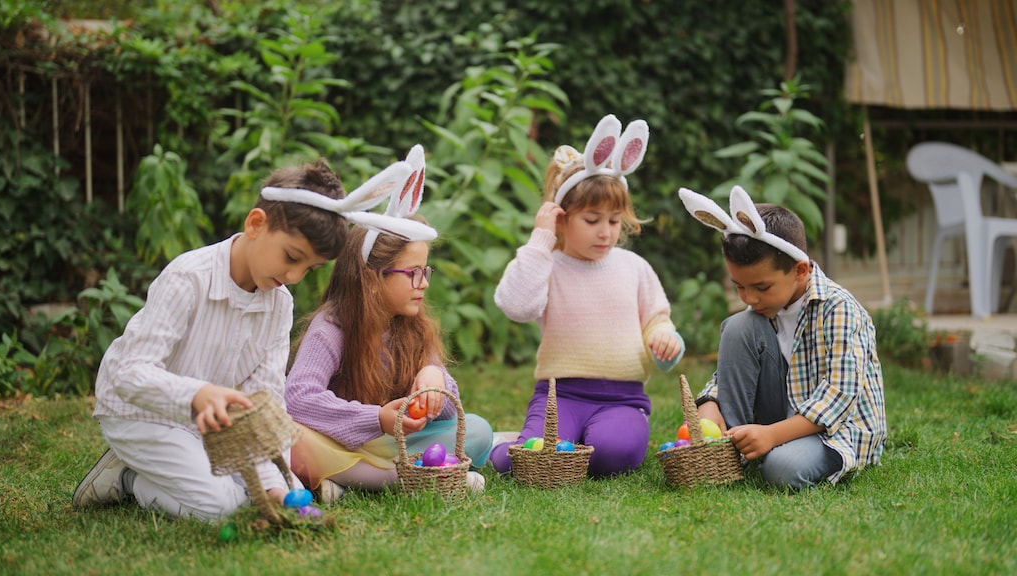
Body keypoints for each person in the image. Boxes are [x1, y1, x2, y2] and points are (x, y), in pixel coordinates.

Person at [72, 156, 417, 520]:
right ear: (256, 223)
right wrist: (197, 394)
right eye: (291, 257)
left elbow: (265, 399)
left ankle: (192, 470)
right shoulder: (189, 278)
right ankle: (128, 477)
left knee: (290, 492)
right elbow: (129, 374)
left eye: (310, 268)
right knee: (220, 507)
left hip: (206, 424)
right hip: (141, 412)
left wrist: (274, 485)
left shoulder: (278, 303)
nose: (295, 276)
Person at [284, 145, 493, 502]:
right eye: (412, 273)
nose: (423, 283)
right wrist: (377, 418)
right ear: (371, 277)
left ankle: (353, 480)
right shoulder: (331, 328)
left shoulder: (413, 326)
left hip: (391, 444)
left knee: (478, 430)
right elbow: (297, 399)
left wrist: (434, 381)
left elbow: (448, 404)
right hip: (337, 439)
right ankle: (403, 479)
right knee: (291, 435)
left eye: (425, 271)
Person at [489, 114, 685, 478]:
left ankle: (575, 446)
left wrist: (664, 341)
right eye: (591, 220)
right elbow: (515, 306)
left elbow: (657, 320)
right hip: (559, 396)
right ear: (563, 218)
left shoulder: (634, 267)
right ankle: (505, 445)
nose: (606, 233)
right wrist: (540, 240)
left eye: (613, 221)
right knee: (533, 462)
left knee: (614, 455)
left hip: (623, 398)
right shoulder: (548, 265)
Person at [678, 185, 887, 489]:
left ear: (800, 270)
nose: (750, 298)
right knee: (739, 326)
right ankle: (733, 447)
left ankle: (764, 446)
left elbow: (838, 397)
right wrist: (711, 406)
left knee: (781, 470)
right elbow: (732, 374)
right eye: (739, 286)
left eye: (762, 287)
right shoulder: (764, 310)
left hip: (834, 430)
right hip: (780, 417)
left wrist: (772, 435)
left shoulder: (838, 309)